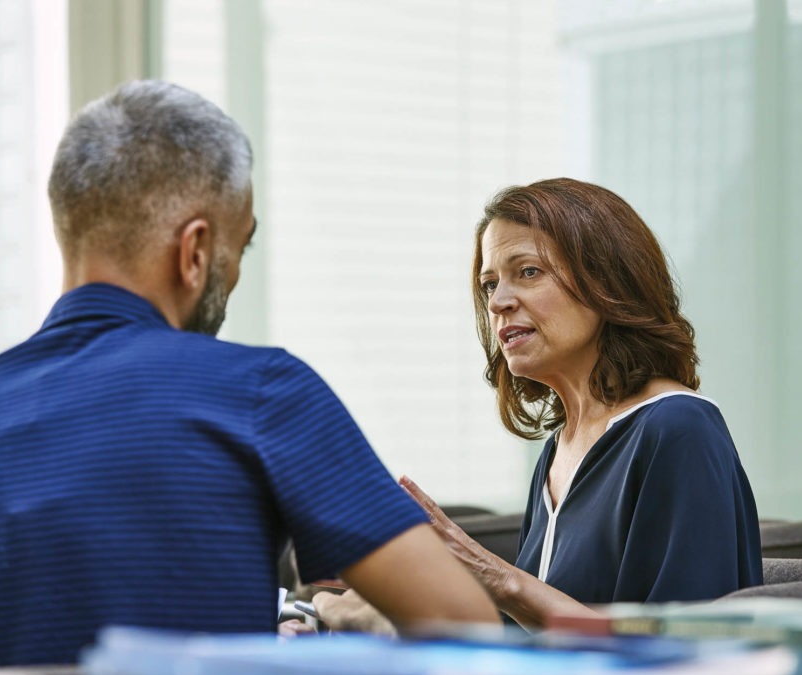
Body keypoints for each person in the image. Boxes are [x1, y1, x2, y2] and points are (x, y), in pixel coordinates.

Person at [0, 80, 499, 667]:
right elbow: (469, 634)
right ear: (194, 251)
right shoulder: (261, 391)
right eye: (241, 248)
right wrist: (355, 625)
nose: (234, 274)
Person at [316, 178, 763, 632]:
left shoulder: (679, 428)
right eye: (489, 284)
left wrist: (495, 577)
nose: (499, 302)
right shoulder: (557, 450)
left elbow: (693, 656)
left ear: (608, 278)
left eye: (528, 271)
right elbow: (534, 635)